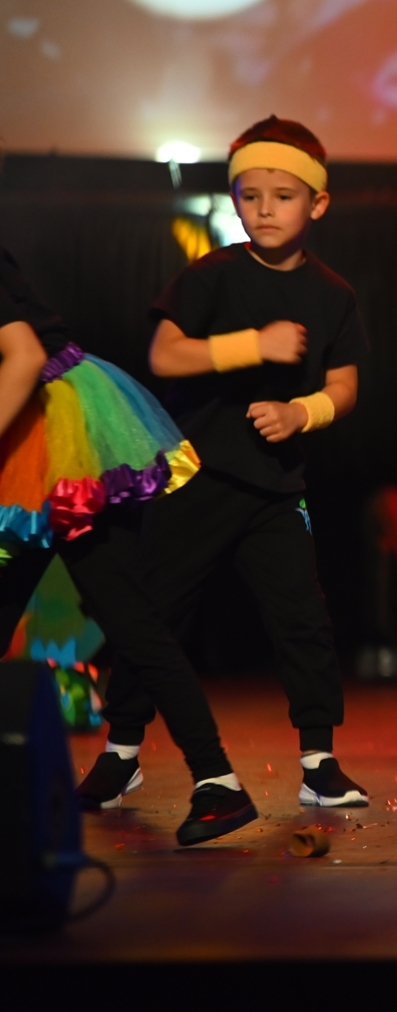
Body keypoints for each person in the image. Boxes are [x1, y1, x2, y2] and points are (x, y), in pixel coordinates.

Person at [91, 116, 371, 809]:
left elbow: (344, 385)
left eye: (283, 195)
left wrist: (302, 412)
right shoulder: (212, 275)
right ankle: (121, 752)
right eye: (250, 195)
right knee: (156, 614)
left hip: (274, 486)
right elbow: (164, 354)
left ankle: (319, 762)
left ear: (318, 204)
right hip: (197, 476)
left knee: (302, 618)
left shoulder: (334, 294)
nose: (265, 209)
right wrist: (253, 344)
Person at [0, 244, 258, 845]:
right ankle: (213, 778)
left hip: (64, 434)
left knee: (128, 617)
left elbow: (24, 355)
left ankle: (217, 778)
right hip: (28, 440)